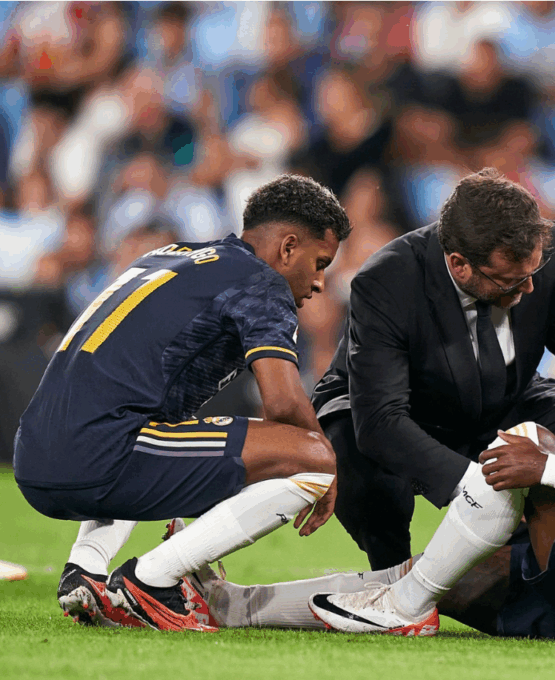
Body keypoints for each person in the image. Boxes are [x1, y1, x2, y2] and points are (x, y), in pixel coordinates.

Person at [191, 231, 555, 643]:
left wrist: (548, 471)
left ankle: (402, 608)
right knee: (437, 576)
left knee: (531, 440)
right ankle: (236, 605)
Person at [13, 175, 350, 632]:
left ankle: (85, 567)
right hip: (97, 453)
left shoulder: (170, 255)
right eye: (320, 263)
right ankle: (151, 581)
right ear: (288, 248)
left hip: (33, 453)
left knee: (158, 423)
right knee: (312, 458)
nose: (320, 283)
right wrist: (327, 465)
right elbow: (284, 404)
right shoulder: (261, 281)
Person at [311, 167, 555, 570]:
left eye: (532, 274)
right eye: (511, 282)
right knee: (358, 458)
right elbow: (381, 420)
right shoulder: (387, 281)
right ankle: (394, 578)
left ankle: (519, 566)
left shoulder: (551, 250)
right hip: (400, 408)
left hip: (502, 395)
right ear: (459, 264)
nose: (528, 288)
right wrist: (474, 486)